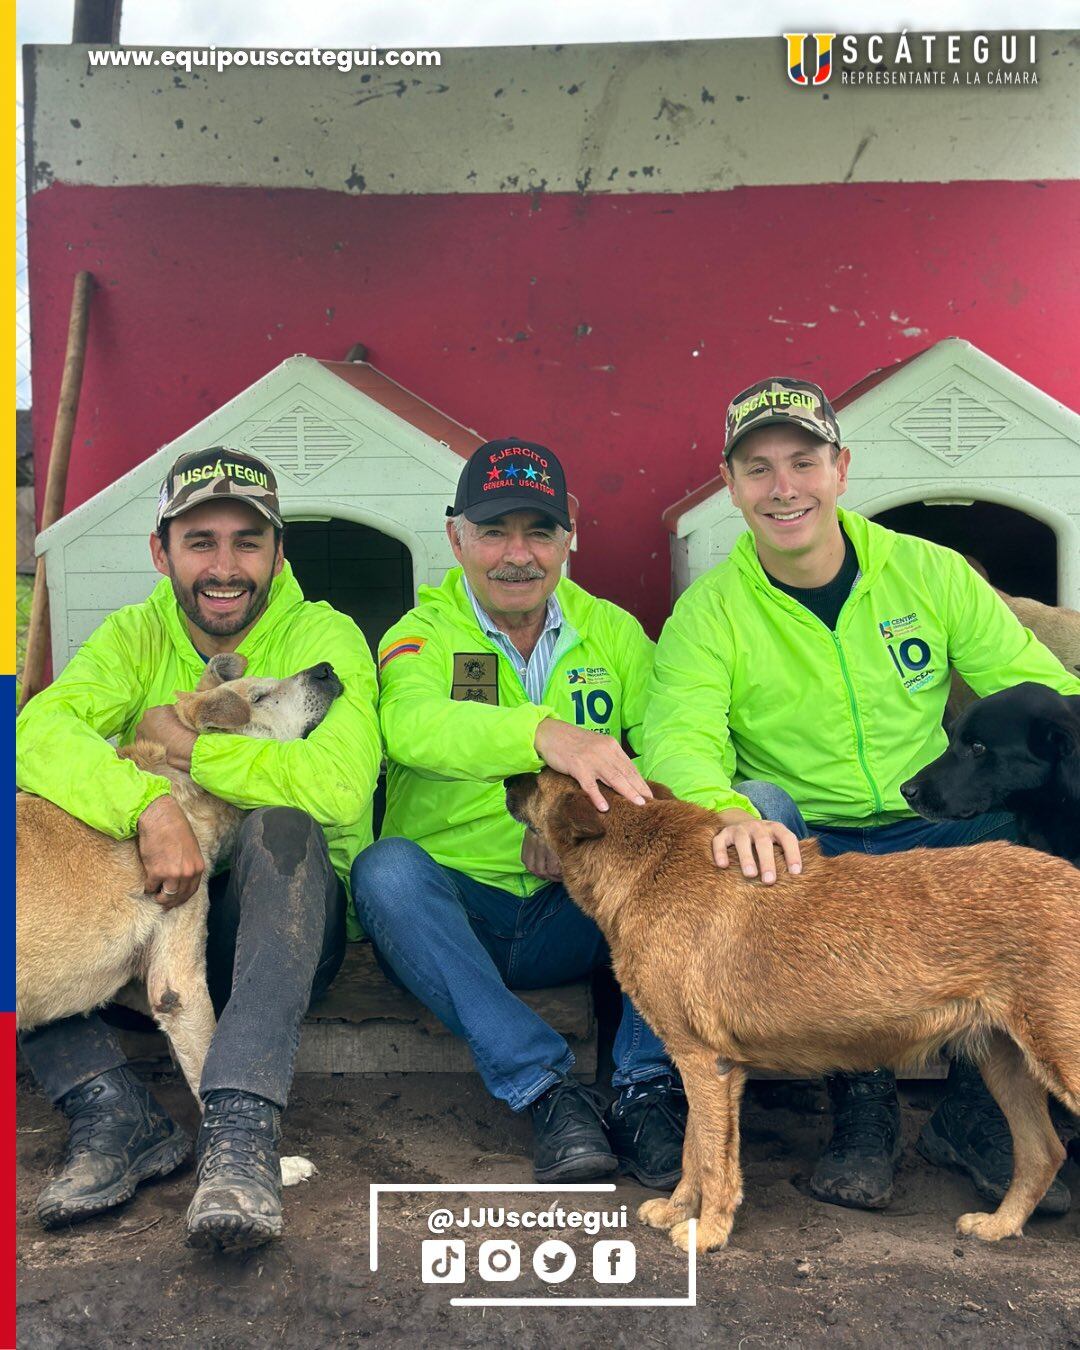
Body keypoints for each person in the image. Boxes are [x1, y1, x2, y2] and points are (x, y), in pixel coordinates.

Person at [643, 377, 1080, 1215]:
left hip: (932, 825)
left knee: (1038, 825)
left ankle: (978, 1109)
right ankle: (862, 1106)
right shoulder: (709, 614)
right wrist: (726, 807)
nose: (784, 488)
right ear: (730, 486)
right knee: (755, 803)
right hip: (809, 848)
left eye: (803, 462)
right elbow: (680, 738)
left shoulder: (930, 573)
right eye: (759, 469)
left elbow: (1032, 692)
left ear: (841, 469)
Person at [16, 448, 381, 1250]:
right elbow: (38, 731)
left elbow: (338, 784)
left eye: (248, 542)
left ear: (279, 553)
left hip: (279, 941)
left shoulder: (325, 634)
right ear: (162, 552)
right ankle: (110, 1107)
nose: (225, 565)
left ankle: (241, 1127)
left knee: (282, 824)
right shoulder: (134, 633)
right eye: (200, 541)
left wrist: (187, 749)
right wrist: (147, 806)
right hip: (128, 945)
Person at [352, 438, 686, 1187]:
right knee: (385, 873)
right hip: (455, 913)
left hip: (578, 912)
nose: (517, 554)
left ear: (570, 537)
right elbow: (411, 726)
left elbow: (665, 759)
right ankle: (548, 1091)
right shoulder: (421, 632)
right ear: (456, 537)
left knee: (675, 874)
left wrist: (577, 842)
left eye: (539, 531)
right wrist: (543, 738)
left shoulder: (617, 636)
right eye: (494, 530)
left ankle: (644, 1091)